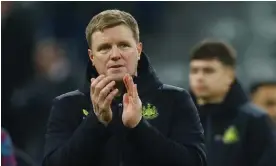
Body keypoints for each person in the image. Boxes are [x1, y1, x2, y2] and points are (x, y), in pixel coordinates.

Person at [43, 9, 206, 166]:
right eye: (104, 48)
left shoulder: (175, 100)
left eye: (123, 45)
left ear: (139, 50)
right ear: (92, 57)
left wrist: (139, 127)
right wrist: (96, 122)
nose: (115, 55)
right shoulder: (67, 105)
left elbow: (195, 162)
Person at [188, 39, 276, 166]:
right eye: (194, 71)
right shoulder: (178, 120)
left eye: (208, 71)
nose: (199, 78)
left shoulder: (254, 121)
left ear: (229, 75)